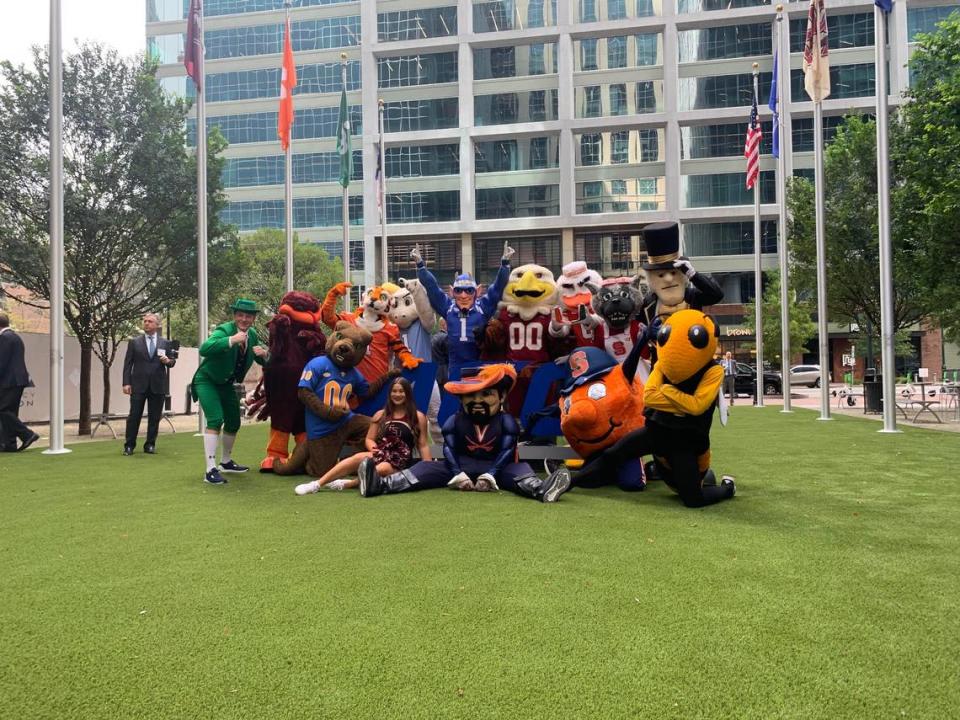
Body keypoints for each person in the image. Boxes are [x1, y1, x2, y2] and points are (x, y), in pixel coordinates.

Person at [294, 377, 431, 495]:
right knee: (357, 458)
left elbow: (423, 444)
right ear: (389, 394)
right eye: (394, 391)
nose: (397, 394)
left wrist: (429, 468)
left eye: (401, 391)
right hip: (381, 453)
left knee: (382, 468)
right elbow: (369, 438)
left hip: (400, 461)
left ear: (408, 394)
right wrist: (373, 448)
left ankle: (350, 484)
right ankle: (317, 484)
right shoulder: (380, 415)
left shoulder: (417, 416)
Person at [192, 299, 269, 485]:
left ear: (253, 318)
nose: (244, 319)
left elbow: (262, 361)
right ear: (234, 316)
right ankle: (210, 470)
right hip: (207, 380)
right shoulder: (224, 330)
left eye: (248, 316)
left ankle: (225, 462)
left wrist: (265, 354)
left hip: (226, 384)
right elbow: (205, 348)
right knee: (216, 419)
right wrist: (230, 340)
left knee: (234, 421)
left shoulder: (252, 335)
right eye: (240, 315)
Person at [121, 313, 176, 455]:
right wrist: (126, 382)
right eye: (144, 321)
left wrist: (167, 361)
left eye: (150, 321)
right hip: (138, 385)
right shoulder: (134, 342)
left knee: (154, 417)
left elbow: (172, 362)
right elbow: (128, 364)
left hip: (158, 385)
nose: (146, 323)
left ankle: (150, 444)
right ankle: (129, 445)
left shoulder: (165, 343)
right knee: (134, 416)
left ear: (157, 325)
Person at [0, 312, 39, 452]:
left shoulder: (4, 338)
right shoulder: (15, 337)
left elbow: (2, 362)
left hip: (9, 381)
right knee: (10, 411)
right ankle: (10, 444)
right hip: (17, 380)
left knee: (3, 410)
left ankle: (27, 434)